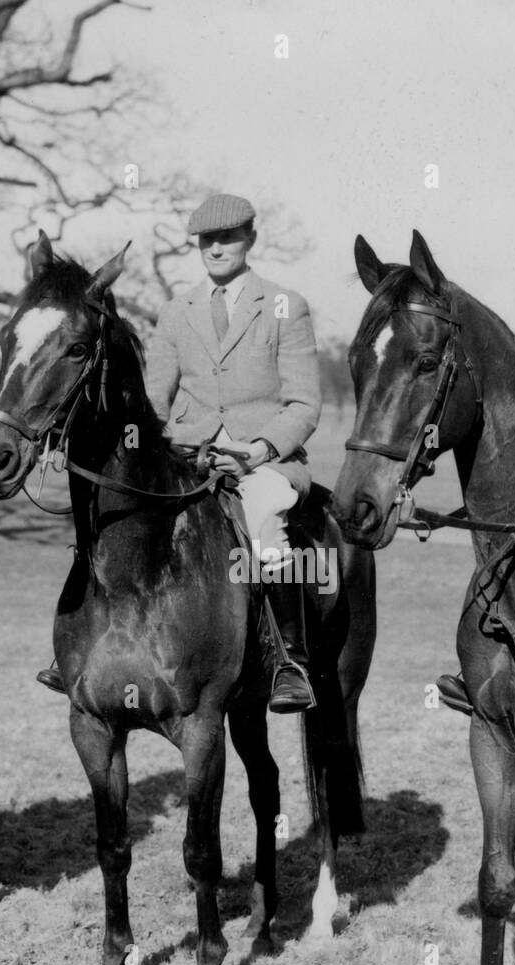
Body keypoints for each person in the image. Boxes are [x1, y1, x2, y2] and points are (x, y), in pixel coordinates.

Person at [36, 193, 323, 712]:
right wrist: (165, 442)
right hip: (189, 461)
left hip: (263, 463)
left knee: (264, 525)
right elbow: (154, 401)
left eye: (227, 237)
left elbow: (304, 403)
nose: (216, 248)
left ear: (250, 239)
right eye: (206, 239)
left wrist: (257, 449)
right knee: (111, 519)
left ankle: (287, 659)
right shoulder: (176, 311)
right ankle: (77, 648)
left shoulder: (286, 305)